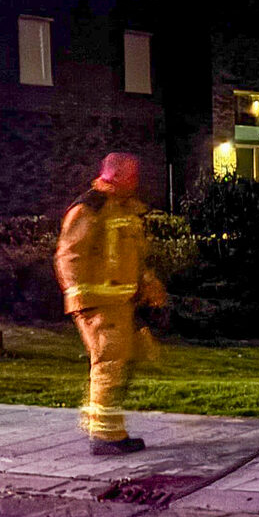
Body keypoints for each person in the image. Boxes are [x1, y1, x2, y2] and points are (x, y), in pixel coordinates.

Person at [55, 153, 165, 455]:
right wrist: (83, 301)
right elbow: (69, 255)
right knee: (109, 364)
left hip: (120, 304)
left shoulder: (123, 208)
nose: (136, 182)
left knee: (124, 362)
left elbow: (131, 255)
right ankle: (105, 436)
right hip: (99, 305)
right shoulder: (91, 208)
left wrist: (147, 284)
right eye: (131, 176)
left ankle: (106, 427)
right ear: (115, 175)